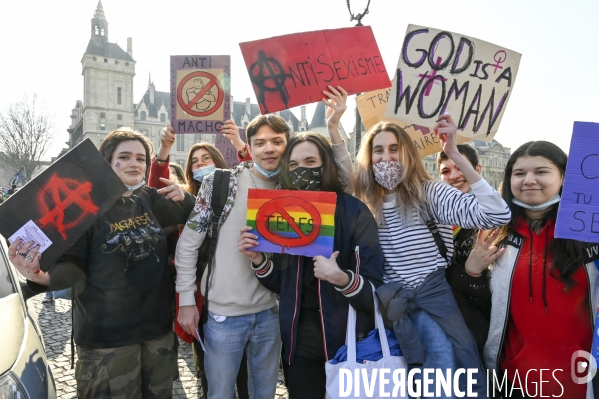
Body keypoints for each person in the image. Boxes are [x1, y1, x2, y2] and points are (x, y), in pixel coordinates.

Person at [8, 127, 195, 399]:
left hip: (157, 335)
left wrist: (185, 196)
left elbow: (198, 217)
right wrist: (38, 275)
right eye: (125, 157)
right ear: (107, 163)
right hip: (108, 342)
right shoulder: (85, 207)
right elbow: (72, 267)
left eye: (141, 158)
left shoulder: (150, 199)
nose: (135, 163)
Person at [353, 117, 511, 398]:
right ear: (369, 157)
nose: (387, 158)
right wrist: (334, 128)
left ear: (408, 155)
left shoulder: (430, 192)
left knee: (444, 372)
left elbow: (497, 214)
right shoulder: (365, 201)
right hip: (391, 307)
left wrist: (453, 154)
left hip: (432, 300)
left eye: (394, 149)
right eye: (379, 151)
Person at [238, 132, 385, 398]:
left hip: (347, 344)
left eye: (310, 162)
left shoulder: (354, 211)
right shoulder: (286, 213)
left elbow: (374, 290)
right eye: (293, 165)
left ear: (325, 165)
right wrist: (258, 260)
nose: (301, 170)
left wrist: (341, 278)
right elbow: (282, 284)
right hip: (299, 343)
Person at [465, 141, 599, 399]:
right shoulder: (494, 234)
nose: (529, 180)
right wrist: (471, 274)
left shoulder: (590, 235)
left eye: (541, 171)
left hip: (582, 380)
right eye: (519, 173)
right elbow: (479, 309)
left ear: (563, 177)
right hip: (516, 381)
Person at [148, 126, 249, 399]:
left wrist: (239, 143)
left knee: (244, 372)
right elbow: (155, 191)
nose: (200, 164)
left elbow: (258, 172)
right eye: (194, 161)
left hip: (235, 296)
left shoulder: (235, 193)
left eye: (207, 159)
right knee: (208, 370)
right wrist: (164, 149)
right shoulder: (182, 198)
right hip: (200, 299)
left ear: (220, 163)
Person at [437, 145, 491, 357]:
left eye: (461, 167)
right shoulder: (434, 216)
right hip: (438, 323)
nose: (454, 176)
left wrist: (472, 273)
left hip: (473, 329)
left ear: (478, 169)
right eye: (445, 171)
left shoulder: (491, 218)